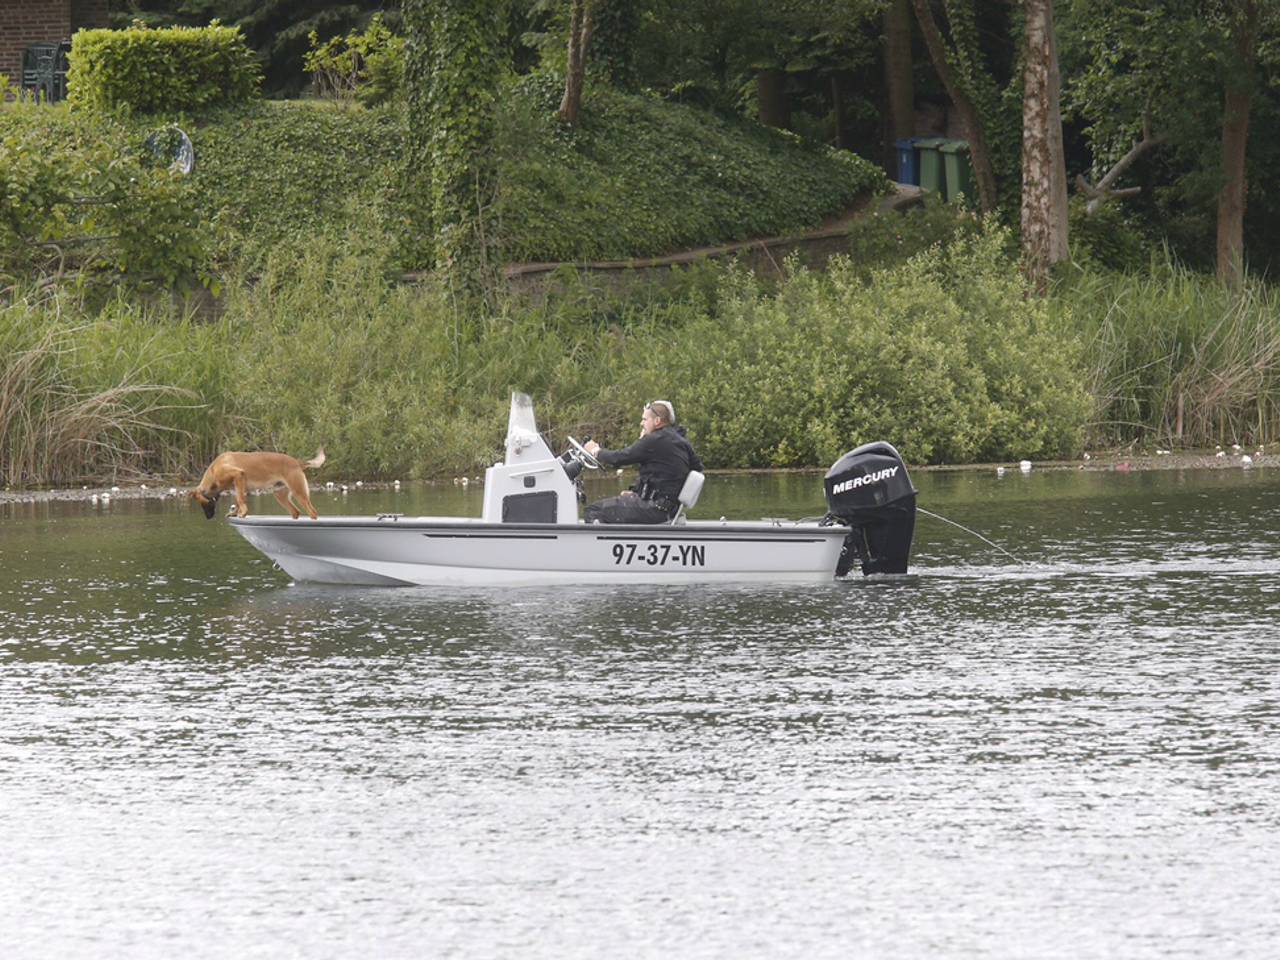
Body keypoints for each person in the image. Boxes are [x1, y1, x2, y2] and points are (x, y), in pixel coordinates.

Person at [583, 400, 703, 524]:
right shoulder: (681, 441)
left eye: (645, 420)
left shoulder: (654, 440)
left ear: (657, 421)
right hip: (669, 509)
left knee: (593, 511)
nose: (641, 423)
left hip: (655, 510)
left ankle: (603, 543)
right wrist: (637, 492)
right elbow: (696, 468)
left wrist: (596, 451)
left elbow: (620, 458)